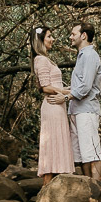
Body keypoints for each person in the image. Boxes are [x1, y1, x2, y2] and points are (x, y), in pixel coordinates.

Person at [30, 26, 74, 185]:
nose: (52, 39)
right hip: (52, 106)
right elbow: (45, 87)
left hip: (58, 106)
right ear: (40, 41)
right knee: (52, 151)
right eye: (49, 36)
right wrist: (64, 91)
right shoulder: (40, 59)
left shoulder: (46, 59)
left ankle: (53, 193)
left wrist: (68, 90)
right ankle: (45, 195)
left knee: (56, 148)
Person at [68, 20, 101, 180]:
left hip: (87, 110)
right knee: (81, 154)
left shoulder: (89, 55)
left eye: (73, 34)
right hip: (76, 110)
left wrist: (65, 96)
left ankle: (96, 188)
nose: (70, 37)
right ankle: (88, 187)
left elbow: (85, 86)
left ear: (83, 35)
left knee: (92, 152)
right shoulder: (81, 56)